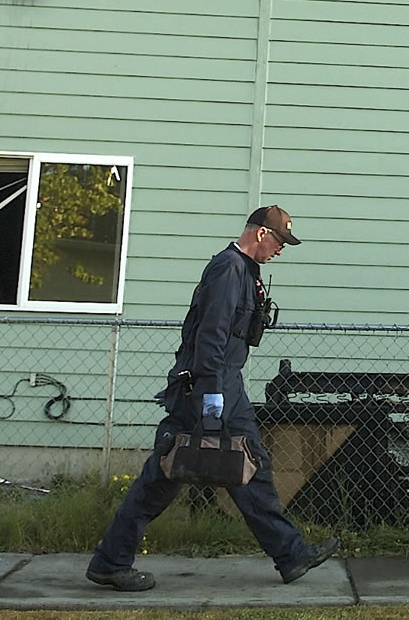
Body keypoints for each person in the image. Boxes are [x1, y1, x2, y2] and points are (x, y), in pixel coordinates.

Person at [85, 206, 340, 591]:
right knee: (167, 475)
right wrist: (211, 396)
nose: (281, 250)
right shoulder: (229, 269)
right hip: (207, 386)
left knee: (247, 465)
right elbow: (211, 333)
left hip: (223, 383)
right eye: (279, 241)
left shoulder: (244, 271)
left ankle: (290, 554)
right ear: (259, 234)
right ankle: (111, 562)